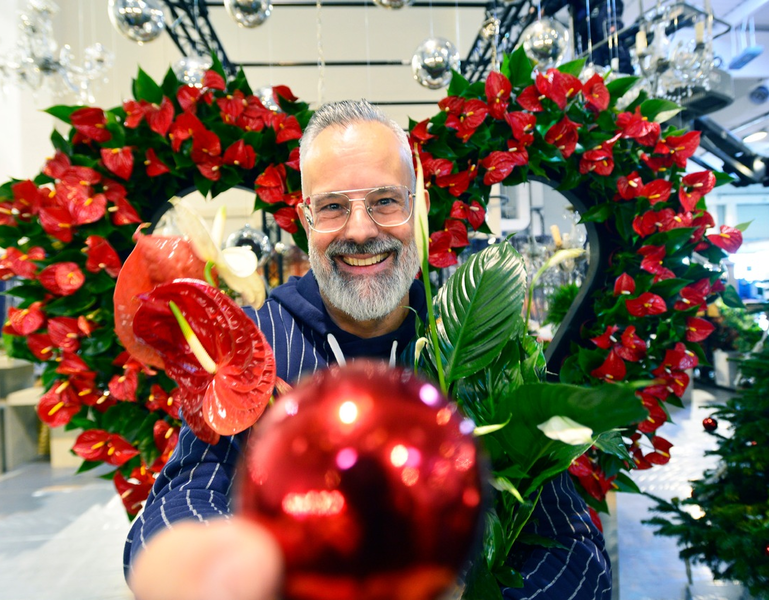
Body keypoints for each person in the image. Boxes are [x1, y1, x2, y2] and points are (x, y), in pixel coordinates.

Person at [125, 100, 612, 600]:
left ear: (418, 206)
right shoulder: (254, 347)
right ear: (306, 220)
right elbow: (187, 491)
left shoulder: (481, 349)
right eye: (334, 206)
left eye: (384, 201)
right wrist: (219, 573)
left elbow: (574, 549)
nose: (360, 230)